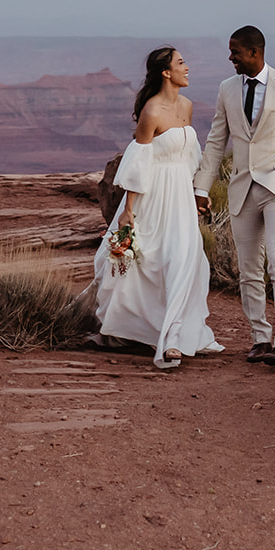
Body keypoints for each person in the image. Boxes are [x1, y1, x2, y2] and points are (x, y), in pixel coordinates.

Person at [194, 25, 275, 371]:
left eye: (235, 51)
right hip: (241, 188)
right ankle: (260, 338)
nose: (230, 57)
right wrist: (202, 188)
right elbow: (215, 142)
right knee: (248, 269)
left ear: (254, 52)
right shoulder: (226, 89)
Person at [93, 46, 223, 370]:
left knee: (185, 260)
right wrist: (128, 211)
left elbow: (189, 158)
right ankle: (140, 330)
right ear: (166, 72)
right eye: (181, 63)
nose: (187, 67)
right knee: (147, 262)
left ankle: (174, 337)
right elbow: (139, 164)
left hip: (180, 196)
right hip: (153, 198)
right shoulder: (151, 111)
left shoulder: (188, 107)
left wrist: (198, 194)